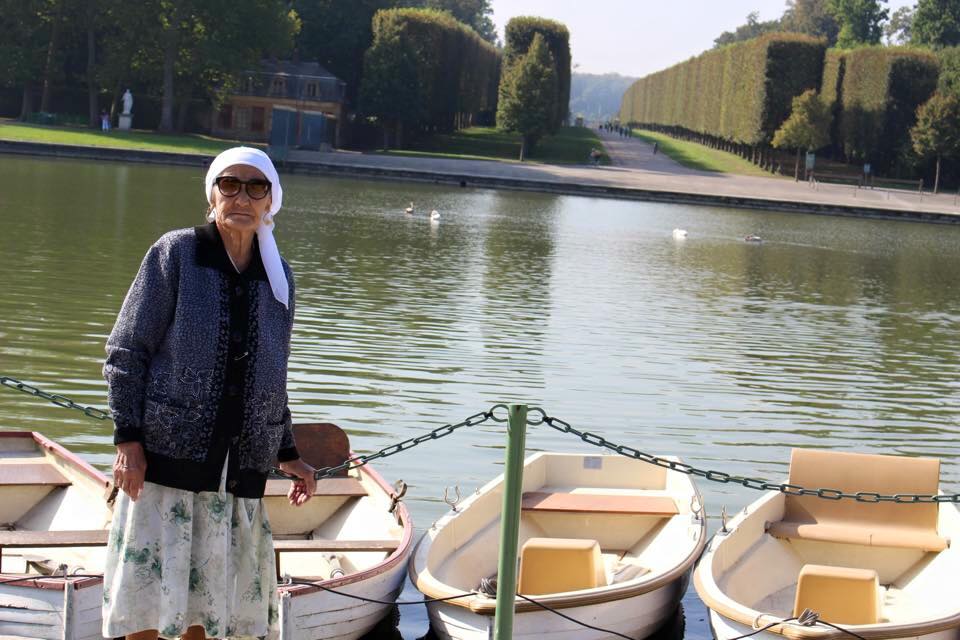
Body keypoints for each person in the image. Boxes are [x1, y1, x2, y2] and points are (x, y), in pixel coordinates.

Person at [102, 146, 317, 640]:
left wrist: (288, 453)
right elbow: (126, 350)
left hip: (237, 477)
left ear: (271, 201)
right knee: (148, 604)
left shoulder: (279, 277)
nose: (242, 197)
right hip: (166, 465)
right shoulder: (177, 254)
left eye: (255, 187)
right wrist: (127, 441)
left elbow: (272, 376)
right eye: (229, 184)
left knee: (211, 610)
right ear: (212, 195)